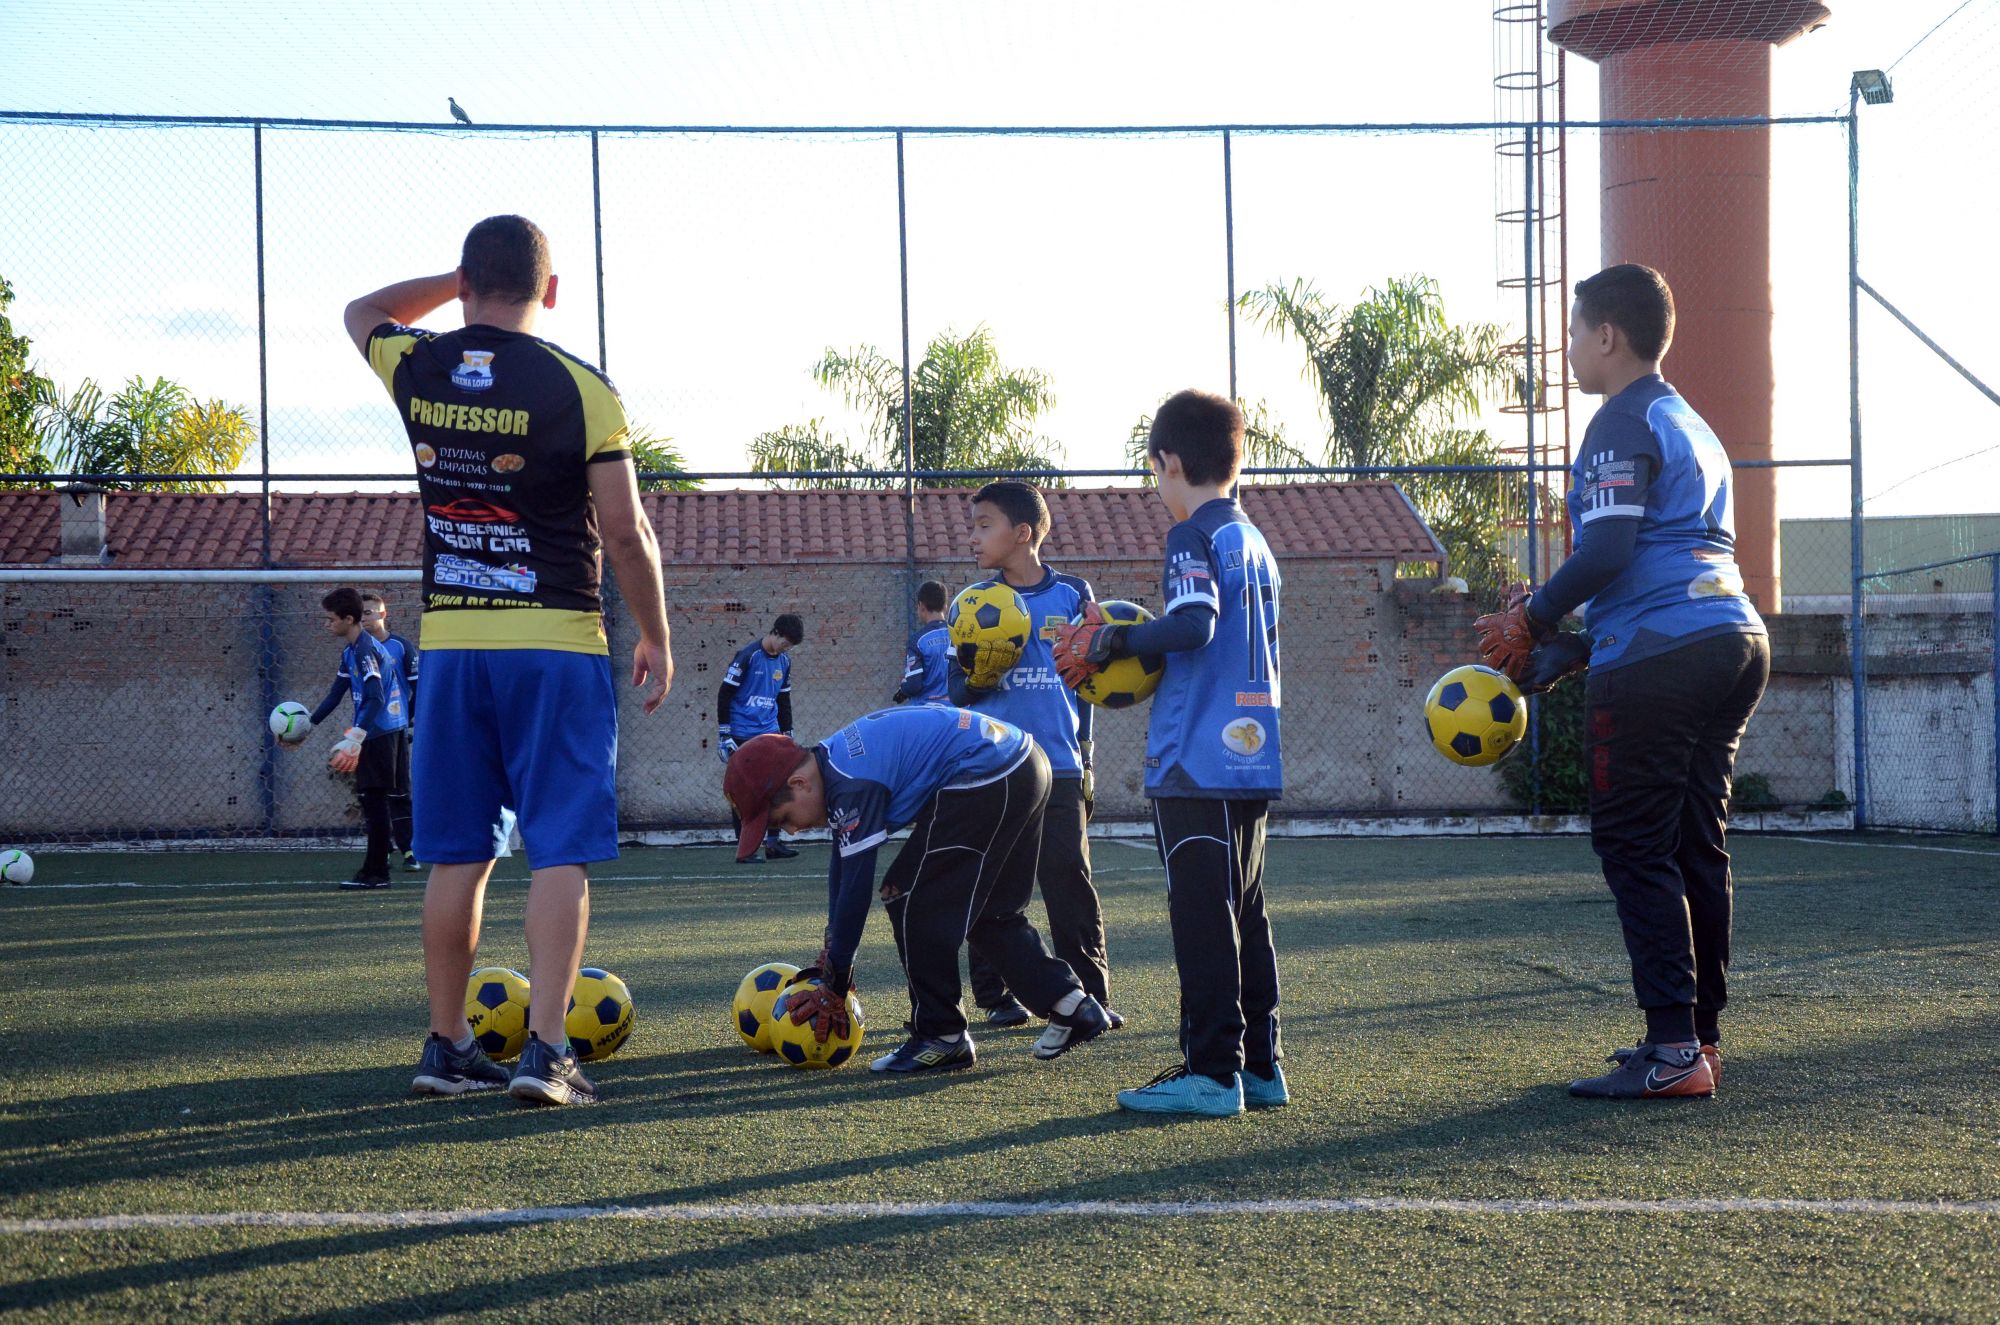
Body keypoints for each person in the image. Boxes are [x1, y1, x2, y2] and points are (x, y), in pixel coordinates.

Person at [342, 213, 674, 1107]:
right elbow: (626, 531)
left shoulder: (418, 364)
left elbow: (361, 307)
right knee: (559, 849)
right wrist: (656, 632)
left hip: (449, 648)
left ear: (464, 279)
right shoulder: (580, 386)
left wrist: (448, 291)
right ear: (552, 290)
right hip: (556, 644)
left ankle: (446, 1045)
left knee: (457, 855)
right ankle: (547, 1052)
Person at [1476, 263, 1768, 1101]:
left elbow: (1606, 554)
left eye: (1573, 332)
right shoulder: (1693, 423)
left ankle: (1673, 1047)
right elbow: (1669, 566)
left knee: (1637, 846)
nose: (1567, 348)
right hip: (1733, 638)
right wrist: (1571, 651)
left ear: (1607, 336)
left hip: (1669, 654)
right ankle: (1697, 1039)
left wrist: (1535, 618)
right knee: (1692, 846)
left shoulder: (1617, 418)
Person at [1053, 389, 1285, 1118]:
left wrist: (1113, 639)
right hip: (1253, 753)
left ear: (1170, 461)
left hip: (1196, 756)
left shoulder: (1192, 534)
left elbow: (1191, 625)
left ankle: (1212, 1073)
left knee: (1202, 913)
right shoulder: (1254, 537)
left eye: (1154, 472)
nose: (1156, 486)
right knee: (1245, 909)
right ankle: (1260, 1065)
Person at [722, 708, 1113, 1075]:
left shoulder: (851, 783)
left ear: (798, 783)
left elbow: (857, 888)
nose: (789, 831)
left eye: (783, 819)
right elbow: (842, 866)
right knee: (989, 912)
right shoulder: (834, 763)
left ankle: (942, 1036)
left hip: (988, 774)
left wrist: (836, 980)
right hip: (1024, 763)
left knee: (906, 896)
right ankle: (1073, 1006)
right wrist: (832, 954)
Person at [949, 481, 1116, 1036]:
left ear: (1021, 534)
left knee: (1068, 879)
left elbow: (1089, 684)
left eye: (983, 525)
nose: (971, 536)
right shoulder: (973, 603)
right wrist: (983, 667)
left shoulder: (1072, 593)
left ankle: (1091, 995)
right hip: (996, 770)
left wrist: (1087, 756)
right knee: (990, 886)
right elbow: (958, 693)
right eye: (972, 525)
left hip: (1062, 767)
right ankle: (997, 997)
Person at [284, 587, 412, 891]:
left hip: (380, 733)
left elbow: (375, 696)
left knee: (375, 802)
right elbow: (335, 693)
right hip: (377, 731)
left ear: (348, 618)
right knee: (373, 802)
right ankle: (374, 870)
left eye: (330, 619)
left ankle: (377, 873)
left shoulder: (367, 650)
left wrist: (357, 736)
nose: (327, 624)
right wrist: (306, 727)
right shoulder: (350, 650)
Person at [718, 613, 804, 862]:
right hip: (742, 734)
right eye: (785, 643)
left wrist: (787, 733)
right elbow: (724, 694)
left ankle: (774, 844)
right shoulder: (748, 656)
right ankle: (745, 850)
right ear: (775, 633)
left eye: (790, 646)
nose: (786, 649)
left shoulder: (784, 662)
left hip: (771, 733)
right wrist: (724, 734)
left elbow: (783, 699)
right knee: (746, 791)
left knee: (779, 786)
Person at [361, 589, 422, 872]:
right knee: (373, 792)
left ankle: (409, 849)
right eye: (361, 613)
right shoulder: (357, 648)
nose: (364, 617)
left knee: (400, 791)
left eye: (369, 612)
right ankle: (381, 849)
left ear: (383, 614)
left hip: (396, 729)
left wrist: (408, 719)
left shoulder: (400, 646)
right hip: (368, 730)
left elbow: (418, 688)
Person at [891, 579, 951, 706]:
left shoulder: (918, 641)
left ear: (921, 606)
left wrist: (903, 690)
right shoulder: (960, 635)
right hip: (958, 711)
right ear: (945, 606)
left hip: (926, 711)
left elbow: (913, 685)